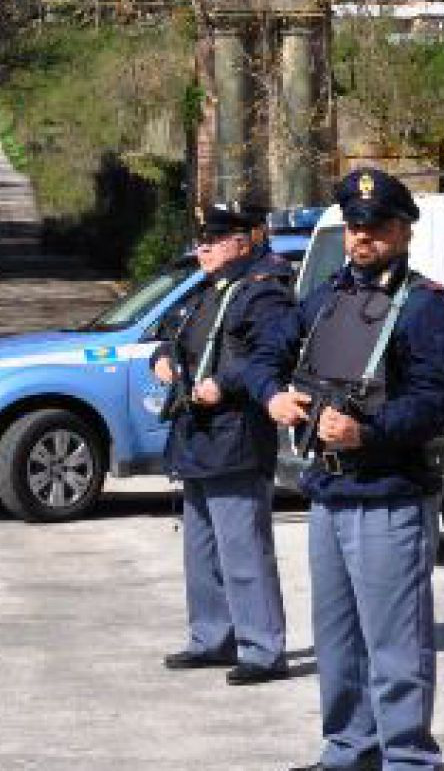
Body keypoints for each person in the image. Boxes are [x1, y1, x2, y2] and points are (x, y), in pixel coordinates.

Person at [243, 170, 444, 771]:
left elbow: (436, 403)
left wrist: (366, 431)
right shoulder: (326, 297)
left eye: (375, 227)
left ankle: (407, 758)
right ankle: (348, 749)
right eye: (354, 226)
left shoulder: (429, 309)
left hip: (389, 496)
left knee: (395, 645)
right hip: (330, 490)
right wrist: (272, 394)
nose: (361, 237)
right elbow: (266, 349)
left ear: (403, 229)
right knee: (339, 642)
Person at [153, 205, 294, 685]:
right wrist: (163, 361)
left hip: (236, 434)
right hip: (197, 435)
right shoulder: (207, 290)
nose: (204, 248)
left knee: (243, 549)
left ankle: (262, 647)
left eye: (215, 239)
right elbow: (171, 336)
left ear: (245, 240)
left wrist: (225, 384)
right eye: (201, 240)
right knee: (202, 550)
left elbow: (272, 352)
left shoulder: (264, 291)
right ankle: (212, 637)